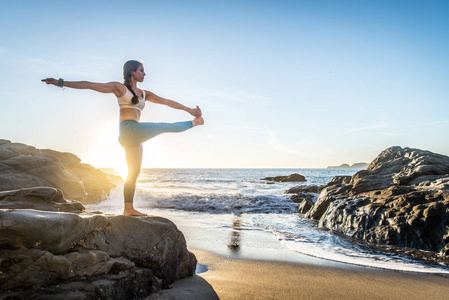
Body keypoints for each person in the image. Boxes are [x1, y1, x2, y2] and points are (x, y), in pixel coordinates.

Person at [42, 60, 204, 216]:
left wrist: (188, 109)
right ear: (132, 71)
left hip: (135, 137)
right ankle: (196, 123)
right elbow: (90, 85)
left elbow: (166, 102)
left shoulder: (144, 93)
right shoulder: (119, 88)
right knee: (164, 126)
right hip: (128, 130)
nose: (144, 74)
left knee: (133, 174)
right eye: (141, 70)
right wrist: (60, 82)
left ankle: (128, 209)